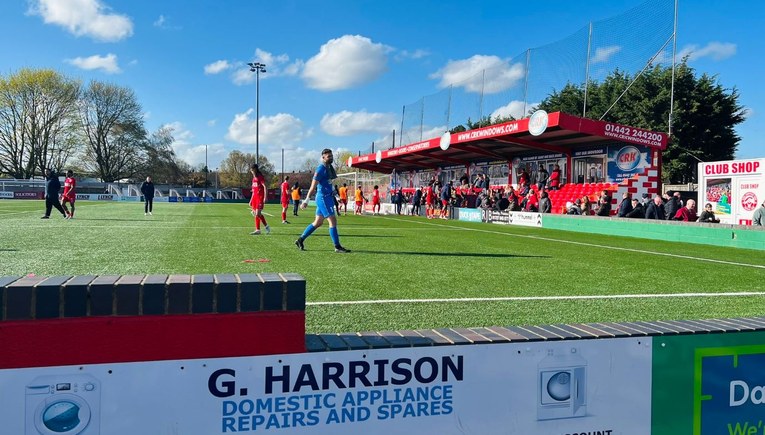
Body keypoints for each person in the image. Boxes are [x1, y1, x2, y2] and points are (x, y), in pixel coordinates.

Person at [295, 149, 350, 253]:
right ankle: (337, 246)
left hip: (328, 197)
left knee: (318, 222)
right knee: (332, 220)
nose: (331, 158)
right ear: (323, 158)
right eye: (328, 156)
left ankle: (300, 240)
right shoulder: (320, 169)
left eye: (331, 156)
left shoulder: (329, 168)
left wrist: (337, 196)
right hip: (323, 198)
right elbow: (312, 186)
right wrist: (306, 200)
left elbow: (330, 184)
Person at [249, 164, 270, 235]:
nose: (251, 171)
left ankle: (266, 226)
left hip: (260, 198)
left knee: (257, 213)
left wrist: (265, 197)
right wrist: (251, 200)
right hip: (254, 198)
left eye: (252, 170)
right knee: (256, 214)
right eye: (251, 170)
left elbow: (265, 186)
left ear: (255, 169)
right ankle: (258, 229)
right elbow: (253, 191)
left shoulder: (260, 177)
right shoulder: (253, 179)